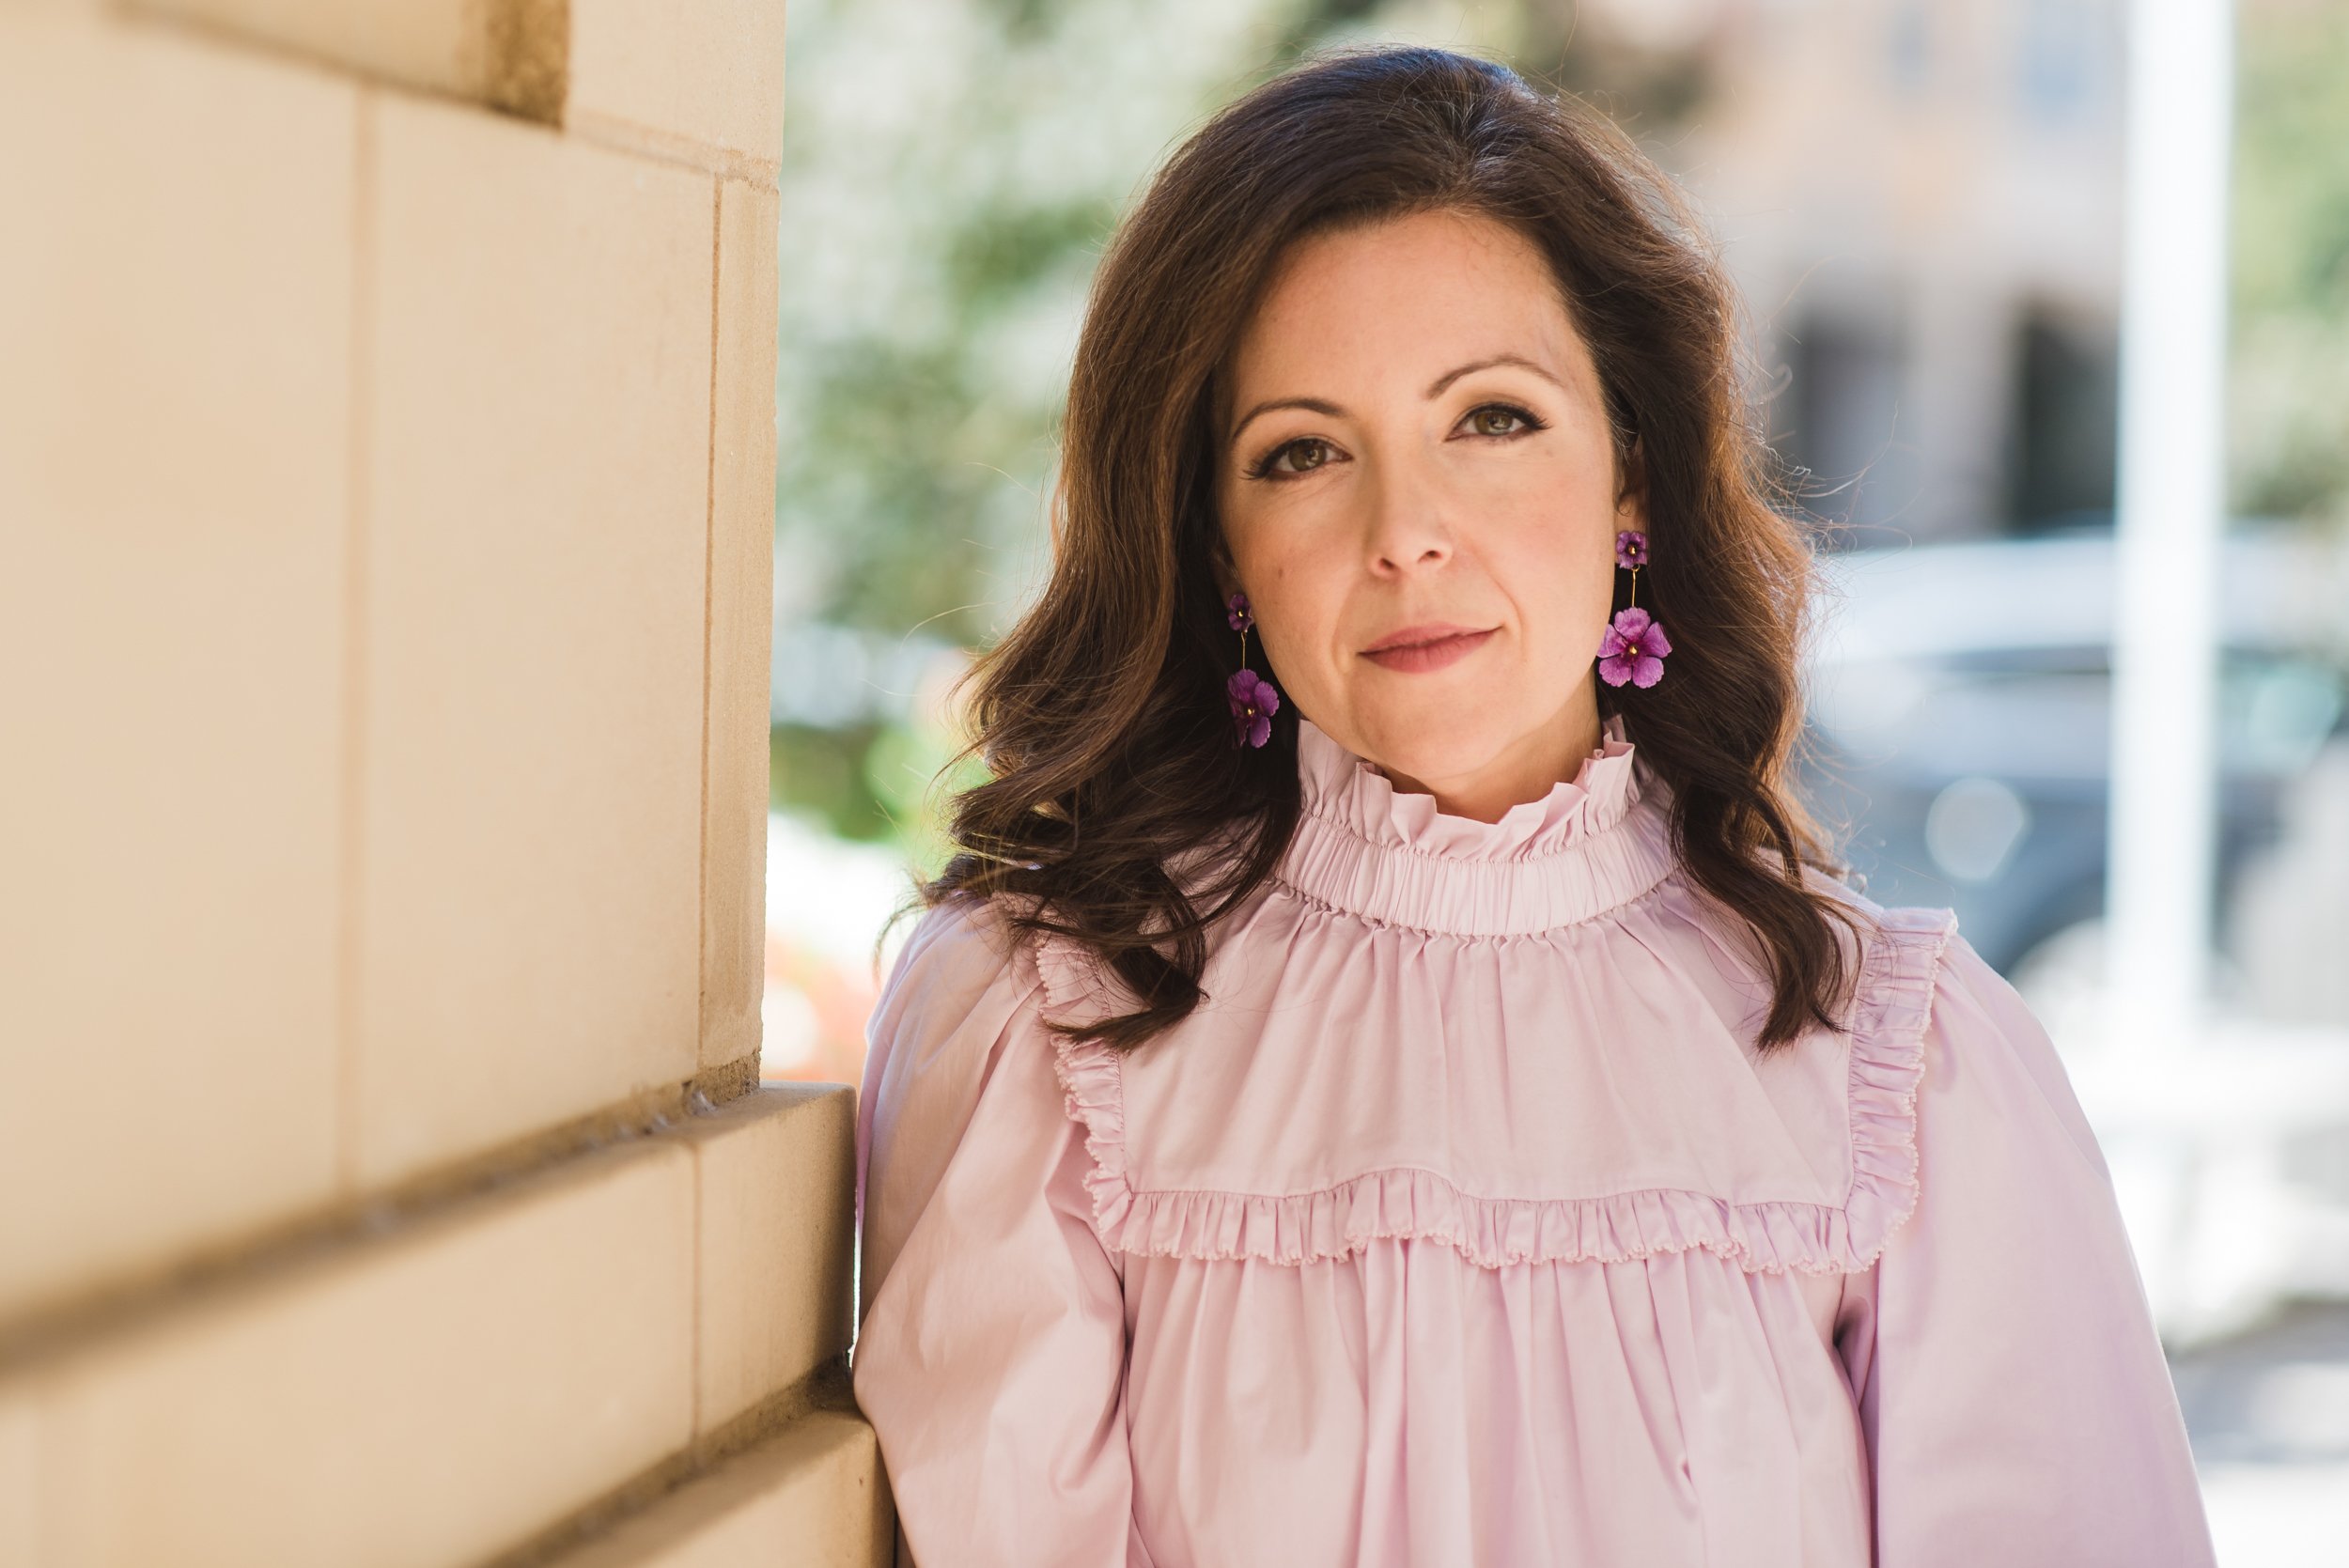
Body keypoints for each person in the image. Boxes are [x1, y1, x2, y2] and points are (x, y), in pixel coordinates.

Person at [848, 44, 2217, 1568]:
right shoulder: (1044, 1030)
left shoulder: (1906, 1072)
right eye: (1301, 452)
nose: (1406, 533)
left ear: (1632, 471)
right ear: (1219, 543)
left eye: (1491, 418)